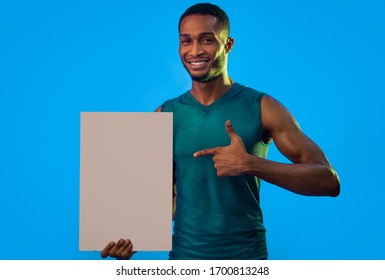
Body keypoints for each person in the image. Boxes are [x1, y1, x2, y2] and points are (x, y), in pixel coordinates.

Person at [101, 3, 340, 260]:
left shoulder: (263, 107)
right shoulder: (165, 113)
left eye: (207, 40)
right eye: (186, 41)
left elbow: (328, 181)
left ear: (228, 45)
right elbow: (166, 195)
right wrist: (134, 238)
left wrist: (251, 164)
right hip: (184, 262)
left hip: (247, 262)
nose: (194, 51)